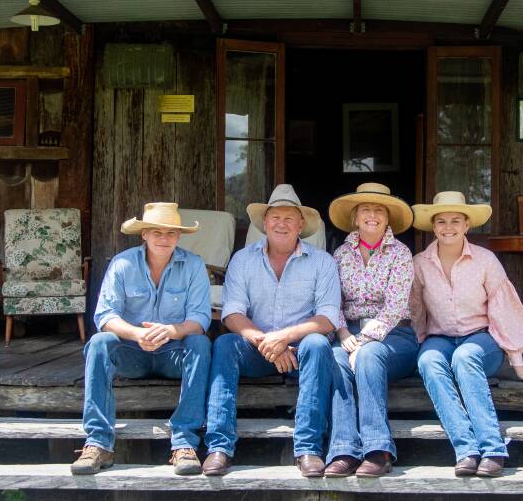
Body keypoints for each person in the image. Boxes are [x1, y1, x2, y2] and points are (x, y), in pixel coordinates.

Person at [202, 184, 342, 478]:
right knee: (225, 344)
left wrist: (285, 337)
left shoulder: (322, 262)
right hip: (257, 348)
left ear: (301, 224)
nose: (282, 224)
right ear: (264, 223)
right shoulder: (243, 259)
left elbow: (328, 318)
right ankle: (219, 447)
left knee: (318, 344)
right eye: (275, 217)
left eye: (289, 218)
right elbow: (233, 313)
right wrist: (269, 341)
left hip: (301, 352)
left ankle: (308, 448)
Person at [409, 191, 523, 478]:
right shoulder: (420, 263)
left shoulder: (485, 260)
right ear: (433, 227)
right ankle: (466, 450)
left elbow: (503, 307)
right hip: (440, 337)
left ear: (467, 226)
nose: (448, 227)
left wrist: (517, 362)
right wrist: (420, 342)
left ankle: (493, 449)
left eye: (455, 221)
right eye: (441, 221)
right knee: (428, 362)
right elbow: (416, 308)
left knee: (464, 357)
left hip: (481, 339)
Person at [73, 202, 212, 476]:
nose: (164, 238)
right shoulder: (122, 263)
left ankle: (184, 442)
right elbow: (105, 315)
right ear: (144, 235)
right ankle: (98, 442)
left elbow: (200, 318)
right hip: (132, 353)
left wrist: (171, 331)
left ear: (179, 236)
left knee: (201, 343)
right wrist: (137, 334)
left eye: (171, 233)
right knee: (100, 342)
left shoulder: (194, 265)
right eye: (156, 232)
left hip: (173, 353)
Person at [321, 183, 418, 478]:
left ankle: (378, 450)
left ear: (388, 219)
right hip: (347, 333)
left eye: (379, 210)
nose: (372, 215)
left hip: (394, 335)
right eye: (366, 209)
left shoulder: (401, 254)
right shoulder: (339, 254)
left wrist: (362, 341)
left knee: (368, 356)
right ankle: (343, 450)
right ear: (355, 217)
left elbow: (395, 307)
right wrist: (342, 335)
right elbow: (330, 299)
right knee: (335, 360)